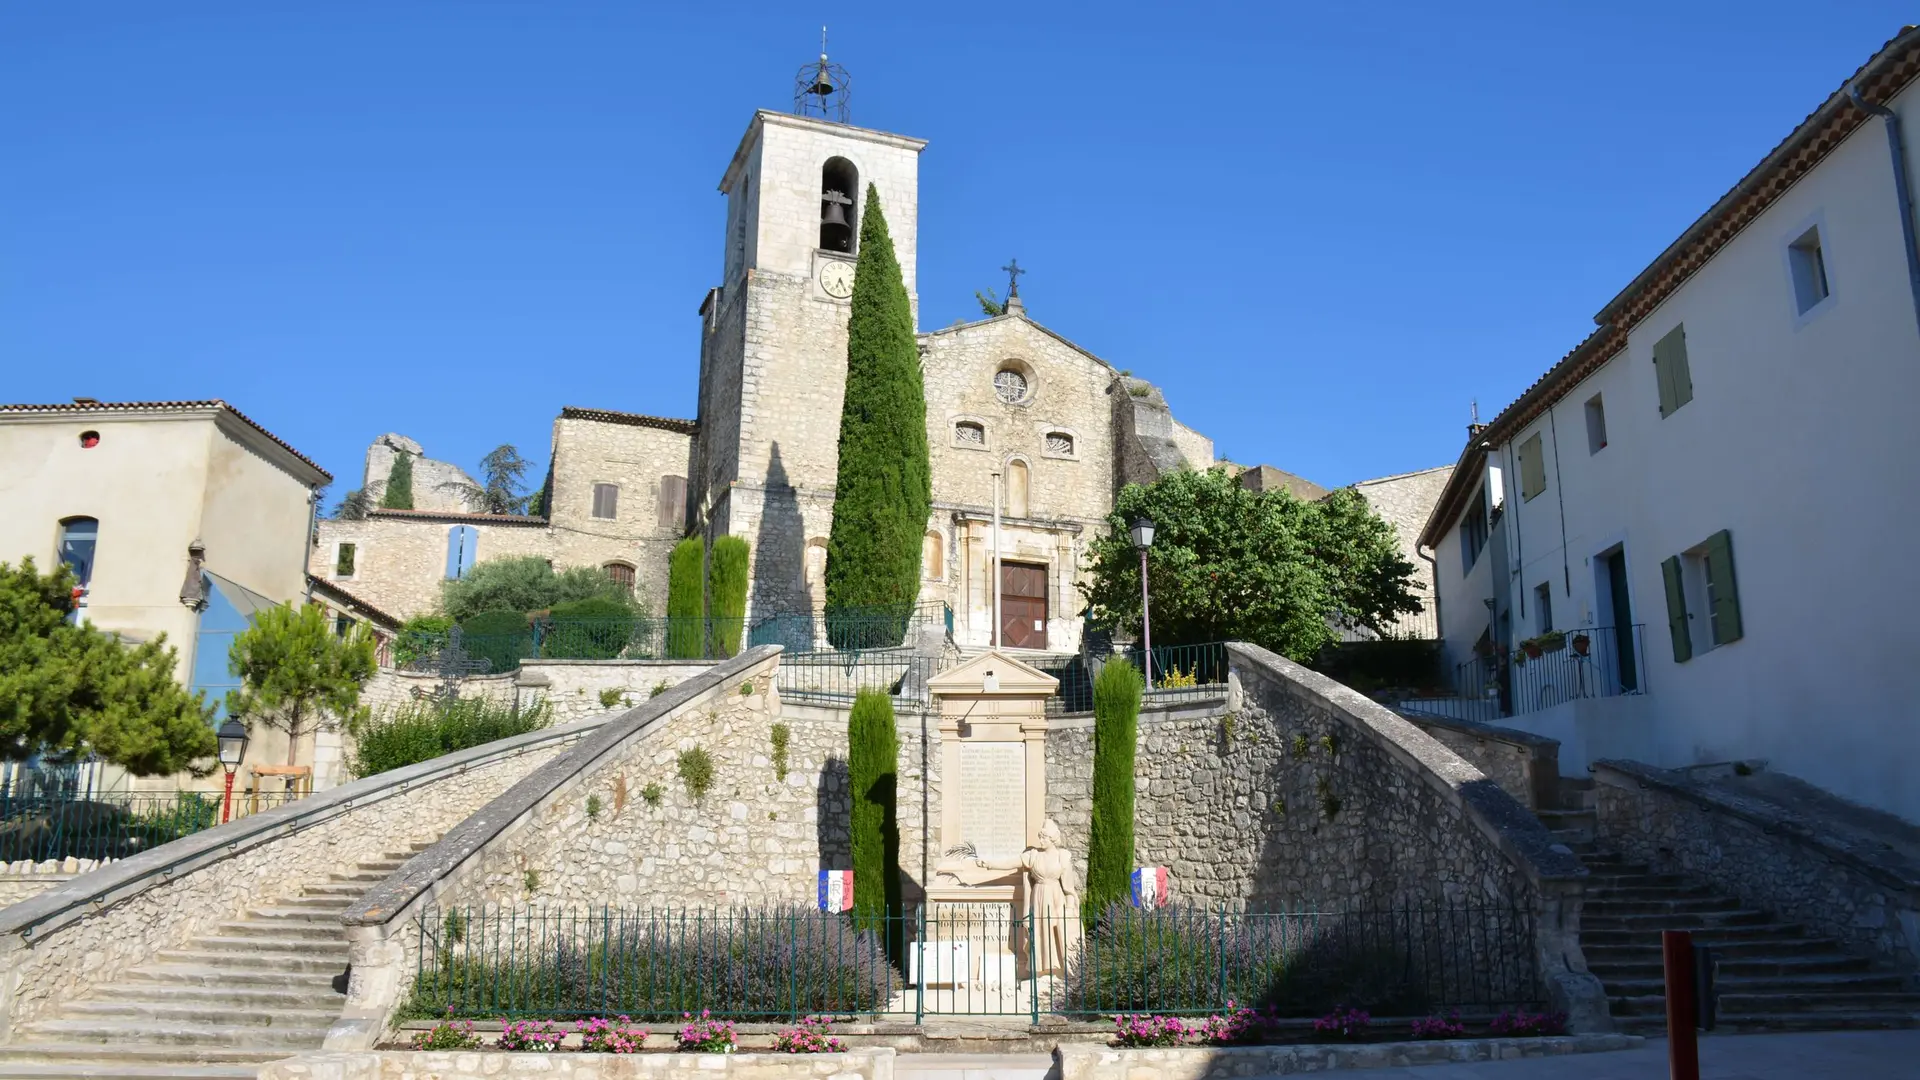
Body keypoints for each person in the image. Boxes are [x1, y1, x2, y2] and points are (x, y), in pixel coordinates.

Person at [976, 818, 1081, 975]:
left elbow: (1068, 886)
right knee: (1038, 932)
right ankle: (1041, 970)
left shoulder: (1062, 857)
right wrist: (990, 864)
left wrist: (1070, 907)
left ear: (1052, 839)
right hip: (1038, 896)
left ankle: (1057, 970)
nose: (1041, 840)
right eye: (1040, 837)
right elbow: (1011, 863)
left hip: (1055, 897)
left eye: (1044, 837)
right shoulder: (1033, 855)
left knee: (1055, 932)